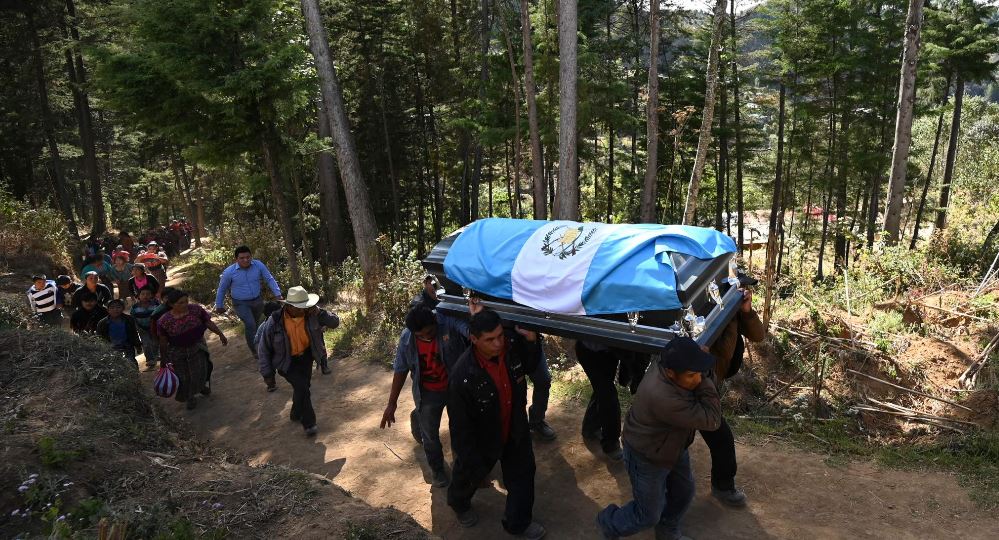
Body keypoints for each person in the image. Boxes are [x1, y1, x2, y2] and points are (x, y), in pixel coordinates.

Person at [596, 337, 722, 540]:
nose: (697, 379)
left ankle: (667, 530)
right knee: (647, 514)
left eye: (698, 373)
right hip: (646, 456)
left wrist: (696, 363)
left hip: (672, 446)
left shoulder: (666, 362)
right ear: (671, 373)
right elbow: (712, 419)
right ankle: (609, 522)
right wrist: (705, 375)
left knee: (683, 493)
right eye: (692, 375)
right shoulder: (662, 396)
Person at [447, 309, 546, 539]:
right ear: (473, 339)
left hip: (515, 427)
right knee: (469, 473)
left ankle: (518, 523)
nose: (498, 343)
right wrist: (470, 459)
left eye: (500, 335)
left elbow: (529, 366)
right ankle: (459, 502)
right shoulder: (462, 376)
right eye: (489, 340)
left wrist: (531, 341)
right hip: (484, 436)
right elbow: (460, 428)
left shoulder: (512, 346)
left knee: (523, 473)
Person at [380, 302, 473, 488]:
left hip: (455, 389)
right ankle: (437, 468)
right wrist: (392, 403)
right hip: (428, 392)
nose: (425, 338)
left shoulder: (447, 323)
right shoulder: (407, 339)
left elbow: (469, 331)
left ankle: (463, 465)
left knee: (461, 428)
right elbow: (400, 369)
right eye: (420, 336)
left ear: (435, 323)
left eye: (429, 333)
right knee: (429, 435)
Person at [700, 278, 766, 508]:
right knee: (718, 437)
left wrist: (746, 311)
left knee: (715, 437)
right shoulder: (706, 307)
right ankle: (723, 486)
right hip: (694, 383)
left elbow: (758, 335)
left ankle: (722, 485)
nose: (744, 291)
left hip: (712, 380)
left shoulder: (734, 307)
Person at [257, 286, 340, 437]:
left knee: (303, 386)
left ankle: (295, 413)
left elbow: (335, 323)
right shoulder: (274, 321)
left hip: (306, 358)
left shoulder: (312, 314)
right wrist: (267, 373)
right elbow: (263, 348)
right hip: (286, 362)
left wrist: (321, 312)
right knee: (303, 388)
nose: (303, 310)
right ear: (288, 306)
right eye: (300, 307)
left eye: (305, 306)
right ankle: (309, 424)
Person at [157, 288, 228, 410]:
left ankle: (200, 387)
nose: (185, 305)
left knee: (200, 370)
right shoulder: (164, 321)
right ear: (171, 304)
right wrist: (164, 359)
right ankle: (189, 396)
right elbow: (163, 341)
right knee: (183, 376)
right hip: (177, 351)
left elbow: (208, 322)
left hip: (197, 346)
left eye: (186, 301)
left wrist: (220, 334)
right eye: (180, 303)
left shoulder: (196, 310)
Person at [215, 245, 283, 355]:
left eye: (248, 257)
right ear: (236, 259)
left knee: (256, 324)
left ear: (251, 256)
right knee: (250, 324)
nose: (245, 260)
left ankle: (260, 344)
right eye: (242, 258)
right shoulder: (229, 272)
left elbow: (269, 278)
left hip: (257, 300)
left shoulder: (258, 265)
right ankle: (256, 351)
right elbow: (222, 289)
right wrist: (219, 305)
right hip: (240, 303)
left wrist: (278, 294)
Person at [575, 341, 625, 461]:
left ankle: (589, 427)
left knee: (602, 391)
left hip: (610, 352)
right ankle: (611, 442)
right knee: (608, 394)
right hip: (588, 351)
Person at [97, 299, 142, 366]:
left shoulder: (129, 319)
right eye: (112, 308)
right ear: (108, 310)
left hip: (127, 346)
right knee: (116, 365)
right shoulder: (102, 323)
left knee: (131, 362)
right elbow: (99, 337)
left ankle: (134, 375)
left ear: (123, 308)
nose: (115, 309)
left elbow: (134, 333)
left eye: (118, 307)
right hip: (111, 347)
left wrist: (138, 345)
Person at [253, 301, 284, 391]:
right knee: (266, 363)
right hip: (260, 345)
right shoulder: (266, 326)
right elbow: (263, 350)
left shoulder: (279, 322)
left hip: (271, 344)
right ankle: (270, 383)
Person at [131, 288, 161, 370]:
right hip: (142, 329)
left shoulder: (155, 305)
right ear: (139, 296)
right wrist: (137, 328)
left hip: (154, 327)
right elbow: (133, 318)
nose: (145, 296)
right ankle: (150, 359)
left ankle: (155, 355)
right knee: (146, 344)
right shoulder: (135, 307)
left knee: (155, 342)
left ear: (151, 295)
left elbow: (160, 315)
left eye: (148, 294)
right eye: (143, 294)